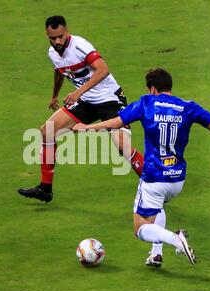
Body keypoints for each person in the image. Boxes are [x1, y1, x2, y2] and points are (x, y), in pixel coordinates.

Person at [73, 68, 210, 266]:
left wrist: (86, 128)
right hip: (177, 180)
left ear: (153, 89)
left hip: (153, 178)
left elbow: (116, 122)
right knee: (158, 206)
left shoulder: (147, 103)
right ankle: (156, 254)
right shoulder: (188, 107)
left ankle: (176, 239)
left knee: (140, 228)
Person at [18, 15, 144, 203]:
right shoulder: (52, 53)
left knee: (122, 147)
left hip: (110, 99)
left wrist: (78, 93)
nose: (58, 41)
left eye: (61, 36)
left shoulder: (80, 46)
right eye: (53, 38)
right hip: (87, 102)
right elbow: (60, 71)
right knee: (47, 131)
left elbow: (103, 70)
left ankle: (153, 184)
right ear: (47, 35)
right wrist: (54, 95)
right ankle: (45, 188)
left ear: (66, 31)